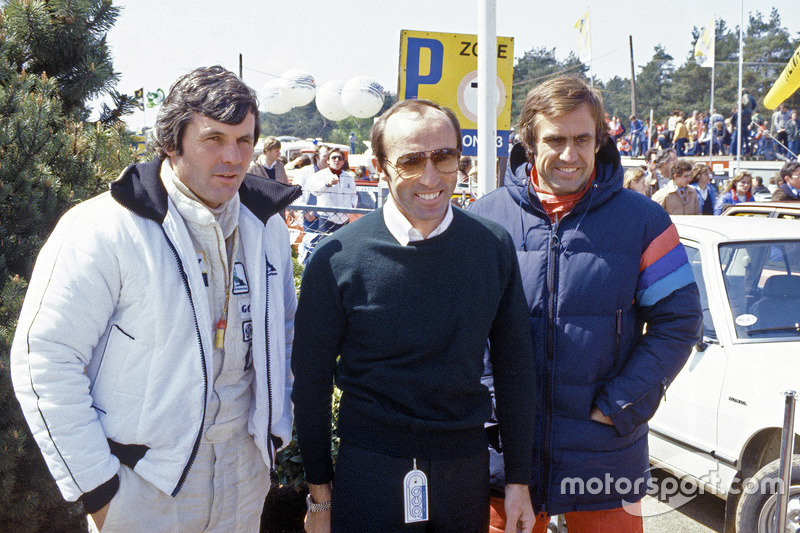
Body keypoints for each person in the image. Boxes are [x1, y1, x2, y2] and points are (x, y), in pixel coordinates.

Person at [10, 66, 300, 532]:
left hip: (244, 475)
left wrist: (271, 433)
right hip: (143, 480)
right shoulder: (104, 227)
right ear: (171, 141)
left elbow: (285, 333)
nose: (233, 157)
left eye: (244, 141)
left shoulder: (266, 226)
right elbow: (43, 358)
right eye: (214, 138)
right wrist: (98, 490)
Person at [292, 99, 537, 533]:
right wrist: (320, 496)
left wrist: (519, 479)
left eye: (444, 158)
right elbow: (311, 383)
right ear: (381, 165)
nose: (430, 177)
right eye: (411, 161)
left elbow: (515, 368)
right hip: (370, 469)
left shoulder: (492, 247)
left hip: (463, 468)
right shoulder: (337, 258)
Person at [471, 76, 701, 533]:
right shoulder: (484, 217)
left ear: (600, 141)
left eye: (582, 139)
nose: (569, 155)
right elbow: (462, 327)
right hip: (505, 453)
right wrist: (495, 405)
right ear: (529, 142)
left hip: (606, 452)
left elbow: (679, 321)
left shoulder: (644, 219)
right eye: (555, 140)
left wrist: (621, 404)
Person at [303, 147, 357, 241]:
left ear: (343, 161)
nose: (337, 160)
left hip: (344, 219)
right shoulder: (320, 175)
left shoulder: (349, 177)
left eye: (340, 158)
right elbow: (314, 191)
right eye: (334, 158)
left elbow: (354, 195)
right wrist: (327, 184)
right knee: (325, 248)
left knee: (344, 246)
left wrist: (351, 208)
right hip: (327, 219)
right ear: (328, 161)